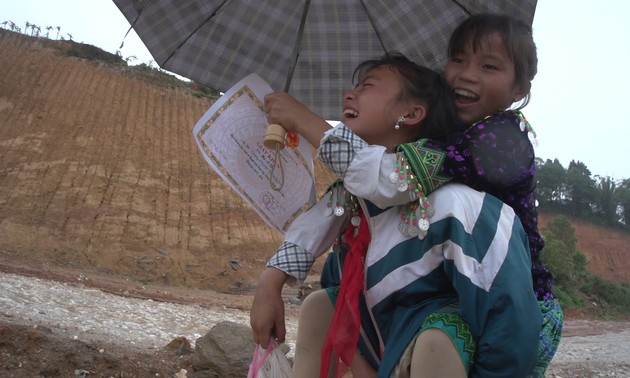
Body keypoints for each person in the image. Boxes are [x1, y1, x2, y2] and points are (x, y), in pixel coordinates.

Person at [263, 13, 563, 378]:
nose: (466, 74)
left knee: (441, 338)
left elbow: (391, 178)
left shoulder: (501, 140)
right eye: (457, 60)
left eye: (488, 66)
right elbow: (333, 207)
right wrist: (270, 283)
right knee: (322, 304)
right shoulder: (437, 140)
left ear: (519, 91)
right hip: (441, 281)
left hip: (508, 299)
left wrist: (303, 120)